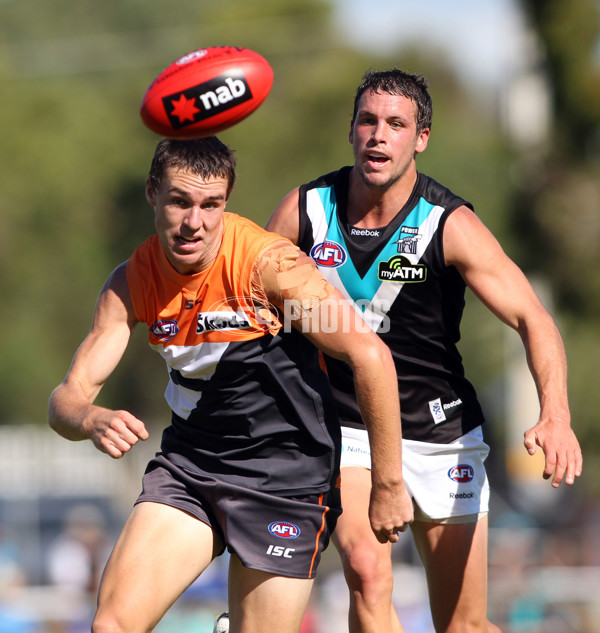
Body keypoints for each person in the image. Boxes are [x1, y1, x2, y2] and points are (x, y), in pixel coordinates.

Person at [47, 136, 414, 633]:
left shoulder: (271, 269)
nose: (193, 222)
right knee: (111, 625)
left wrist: (389, 484)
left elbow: (370, 355)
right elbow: (65, 399)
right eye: (179, 201)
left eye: (210, 205)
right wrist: (90, 417)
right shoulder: (131, 282)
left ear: (226, 203)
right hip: (192, 466)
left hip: (285, 477)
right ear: (153, 192)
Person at [266, 69, 583, 633]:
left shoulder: (448, 224)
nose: (379, 136)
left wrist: (555, 415)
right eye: (367, 121)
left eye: (396, 124)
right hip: (345, 425)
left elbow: (533, 318)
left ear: (422, 138)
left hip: (441, 432)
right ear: (351, 130)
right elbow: (256, 308)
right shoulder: (306, 211)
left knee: (463, 625)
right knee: (367, 571)